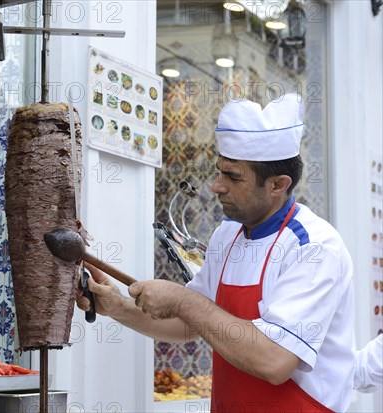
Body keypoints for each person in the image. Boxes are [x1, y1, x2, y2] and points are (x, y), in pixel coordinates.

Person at [78, 93, 356, 412]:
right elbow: (189, 324)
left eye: (233, 177)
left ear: (278, 185)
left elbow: (275, 360)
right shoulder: (228, 234)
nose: (216, 186)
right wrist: (117, 306)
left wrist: (183, 300)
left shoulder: (314, 247)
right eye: (219, 171)